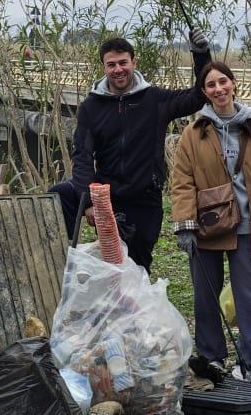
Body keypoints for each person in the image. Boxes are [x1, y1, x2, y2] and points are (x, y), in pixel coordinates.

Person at [53, 30, 212, 271]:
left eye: (123, 63)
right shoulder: (91, 107)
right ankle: (54, 259)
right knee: (59, 195)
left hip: (145, 198)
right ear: (103, 67)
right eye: (111, 64)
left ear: (133, 63)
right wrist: (89, 202)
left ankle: (135, 306)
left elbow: (198, 96)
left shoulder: (155, 100)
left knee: (138, 267)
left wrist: (201, 55)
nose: (118, 69)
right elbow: (83, 156)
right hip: (109, 197)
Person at [167, 61, 251, 383]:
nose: (219, 89)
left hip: (248, 227)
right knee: (206, 296)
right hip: (205, 228)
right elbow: (182, 181)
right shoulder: (194, 133)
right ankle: (213, 359)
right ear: (204, 92)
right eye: (211, 85)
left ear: (233, 84)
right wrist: (184, 223)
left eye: (223, 82)